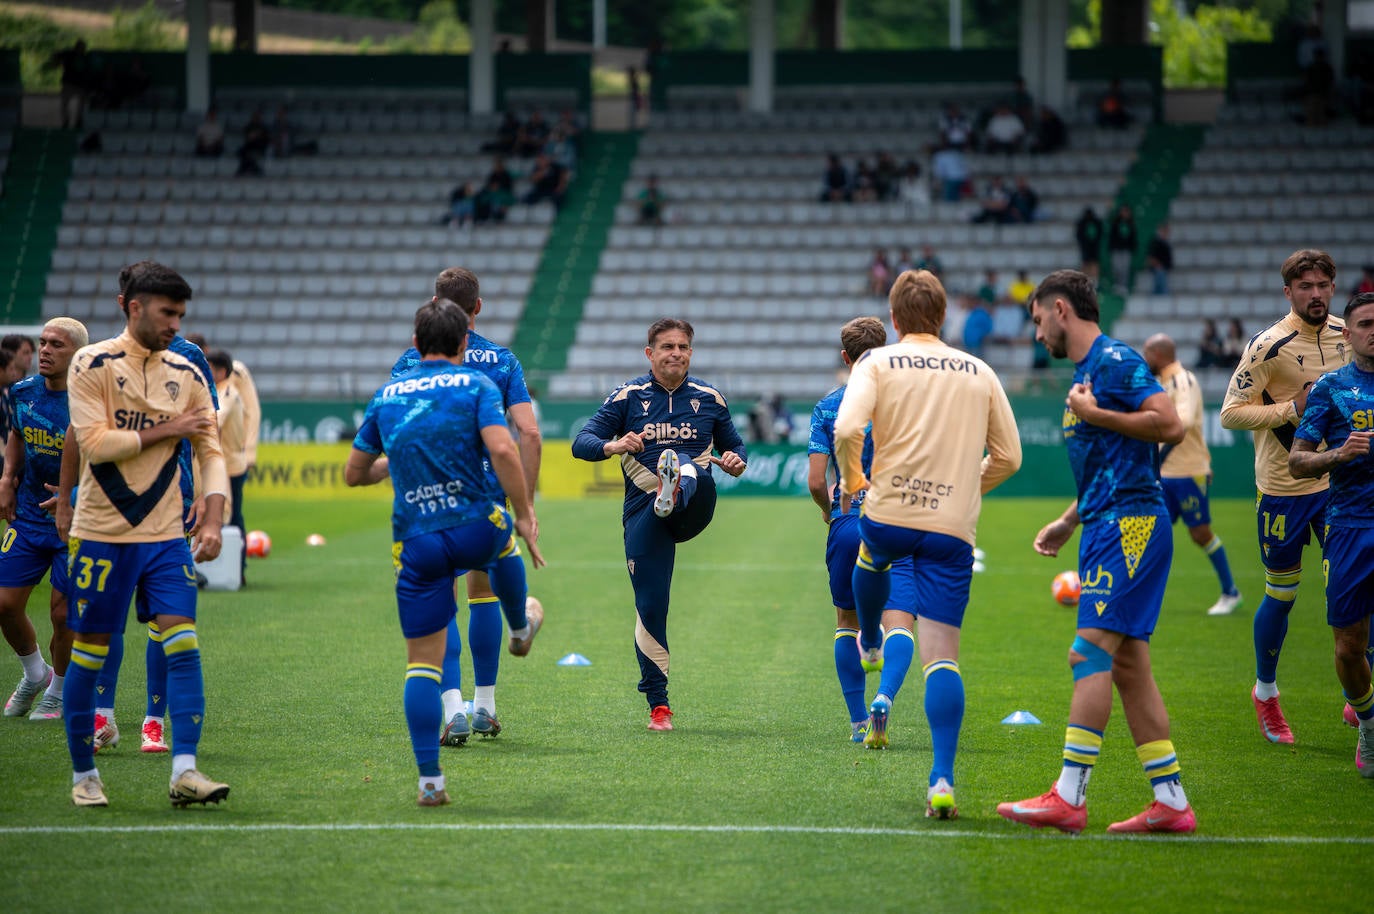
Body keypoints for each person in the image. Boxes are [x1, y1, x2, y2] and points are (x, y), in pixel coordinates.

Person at [999, 268, 1196, 834]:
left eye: (1038, 319)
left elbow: (1171, 424)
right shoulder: (1089, 372)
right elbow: (1109, 463)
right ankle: (1171, 802)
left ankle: (1069, 796)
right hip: (1106, 523)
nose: (1037, 333)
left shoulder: (1113, 361)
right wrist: (1069, 520)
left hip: (1130, 527)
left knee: (1087, 654)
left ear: (1061, 309)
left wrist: (1097, 415)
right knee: (1130, 667)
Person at [835, 274, 1021, 818]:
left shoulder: (876, 362)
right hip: (951, 525)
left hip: (890, 509)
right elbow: (1009, 457)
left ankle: (871, 636)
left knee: (873, 556)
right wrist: (967, 487)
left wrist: (853, 481)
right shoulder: (980, 370)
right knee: (942, 658)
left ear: (894, 319)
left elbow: (847, 431)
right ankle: (942, 780)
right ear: (943, 317)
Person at [346, 299, 543, 807]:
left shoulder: (388, 394)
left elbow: (354, 473)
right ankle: (519, 628)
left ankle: (430, 782)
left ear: (415, 344)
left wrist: (389, 467)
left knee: (420, 665)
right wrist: (524, 512)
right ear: (463, 343)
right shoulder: (477, 382)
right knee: (503, 544)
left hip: (416, 539)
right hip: (474, 522)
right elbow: (505, 448)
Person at [63, 260, 230, 808]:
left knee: (183, 645)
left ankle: (185, 771)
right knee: (90, 654)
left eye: (180, 315)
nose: (175, 325)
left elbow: (211, 450)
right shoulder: (91, 363)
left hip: (165, 536)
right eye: (167, 314)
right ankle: (85, 775)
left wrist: (214, 515)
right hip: (102, 533)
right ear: (133, 307)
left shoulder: (188, 370)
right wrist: (171, 429)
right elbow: (95, 443)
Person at [390, 268, 542, 744]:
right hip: (485, 496)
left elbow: (398, 430)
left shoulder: (409, 362)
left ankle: (453, 709)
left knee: (441, 597)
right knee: (483, 594)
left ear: (434, 303)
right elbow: (529, 432)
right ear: (478, 307)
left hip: (427, 498)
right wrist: (525, 503)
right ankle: (486, 707)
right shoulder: (502, 360)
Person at [572, 319, 747, 730]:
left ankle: (674, 489)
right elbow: (582, 442)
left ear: (691, 353)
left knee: (688, 466)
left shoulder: (709, 398)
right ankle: (659, 708)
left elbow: (735, 446)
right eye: (667, 346)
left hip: (695, 505)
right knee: (651, 606)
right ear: (649, 353)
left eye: (683, 347)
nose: (676, 353)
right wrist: (614, 444)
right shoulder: (627, 397)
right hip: (644, 513)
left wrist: (736, 460)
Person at [1220, 249, 1357, 743]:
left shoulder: (1350, 335)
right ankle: (1266, 693)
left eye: (1322, 285)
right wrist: (1289, 408)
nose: (1315, 294)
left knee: (1356, 589)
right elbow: (1230, 413)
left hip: (1340, 486)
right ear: (1288, 292)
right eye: (1305, 287)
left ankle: (1359, 693)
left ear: (1333, 288)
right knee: (1282, 595)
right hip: (1282, 489)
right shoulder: (1267, 347)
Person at [810, 319, 917, 747]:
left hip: (848, 521)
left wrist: (828, 513)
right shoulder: (906, 401)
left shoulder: (829, 406)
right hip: (896, 517)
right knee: (900, 619)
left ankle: (857, 723)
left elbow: (817, 481)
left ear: (845, 356)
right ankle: (884, 697)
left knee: (847, 621)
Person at [1289, 291, 1374, 776]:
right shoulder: (1331, 388)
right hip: (1349, 526)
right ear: (1349, 332)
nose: (1373, 331)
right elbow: (1298, 461)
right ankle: (1369, 722)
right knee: (1348, 646)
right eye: (1365, 323)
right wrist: (1339, 454)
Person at [0, 318, 87, 722]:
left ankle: (59, 692)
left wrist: (72, 496)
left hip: (77, 520)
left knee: (62, 614)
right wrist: (7, 478)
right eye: (44, 342)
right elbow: (17, 435)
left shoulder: (92, 399)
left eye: (57, 344)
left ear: (79, 355)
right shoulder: (22, 392)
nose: (46, 350)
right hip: (30, 514)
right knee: (4, 604)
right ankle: (36, 673)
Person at [1142, 334, 1243, 616]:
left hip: (1187, 471)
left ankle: (1230, 592)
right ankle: (1140, 596)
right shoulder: (1162, 383)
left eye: (1146, 353)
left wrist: (1158, 446)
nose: (1144, 359)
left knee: (1200, 534)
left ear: (1157, 354)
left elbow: (1184, 421)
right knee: (1150, 531)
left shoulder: (1182, 380)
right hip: (1165, 474)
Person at [1106, 204, 1137, 293]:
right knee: (1116, 267)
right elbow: (1111, 235)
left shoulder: (1131, 224)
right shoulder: (1115, 223)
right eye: (1123, 211)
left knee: (1125, 268)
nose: (1124, 213)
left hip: (1126, 249)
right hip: (1116, 249)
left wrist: (1132, 247)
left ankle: (1123, 286)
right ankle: (1117, 284)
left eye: (1126, 211)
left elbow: (1133, 238)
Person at [1075, 207, 1104, 283]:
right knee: (1087, 264)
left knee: (1094, 264)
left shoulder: (1096, 222)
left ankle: (1094, 281)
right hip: (1086, 247)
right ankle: (1085, 281)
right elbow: (1079, 235)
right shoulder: (1082, 223)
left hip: (1093, 247)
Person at [1145, 224, 1174, 295]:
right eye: (1164, 232)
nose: (1166, 234)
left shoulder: (1166, 243)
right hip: (1159, 268)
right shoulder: (1155, 242)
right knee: (1161, 288)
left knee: (1158, 288)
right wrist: (1158, 265)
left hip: (1164, 268)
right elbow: (1151, 256)